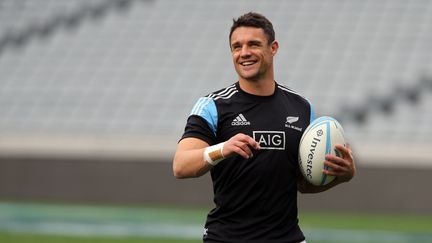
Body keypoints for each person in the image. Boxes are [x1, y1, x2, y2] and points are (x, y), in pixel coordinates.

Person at [173, 12, 356, 243]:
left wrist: (340, 176)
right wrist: (223, 148)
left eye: (253, 44)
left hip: (287, 238)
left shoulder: (301, 108)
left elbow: (302, 183)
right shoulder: (213, 105)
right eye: (236, 46)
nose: (244, 53)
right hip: (227, 238)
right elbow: (181, 166)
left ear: (273, 48)